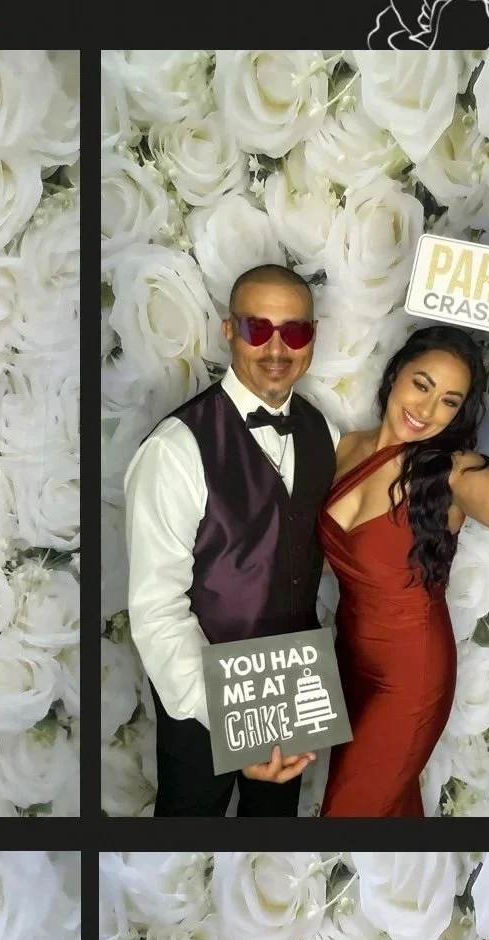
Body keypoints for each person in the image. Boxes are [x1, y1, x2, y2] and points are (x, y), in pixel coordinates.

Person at [124, 265, 341, 817]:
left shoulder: (325, 433)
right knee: (185, 854)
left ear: (311, 337)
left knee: (270, 863)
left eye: (293, 331)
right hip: (201, 700)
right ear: (228, 331)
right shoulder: (176, 449)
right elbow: (157, 608)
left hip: (293, 689)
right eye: (256, 328)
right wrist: (229, 720)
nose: (276, 348)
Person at [318, 323, 489, 817]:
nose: (426, 410)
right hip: (348, 660)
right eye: (421, 385)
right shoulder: (346, 448)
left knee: (347, 816)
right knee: (389, 808)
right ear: (395, 374)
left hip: (411, 675)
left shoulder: (448, 471)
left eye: (449, 401)